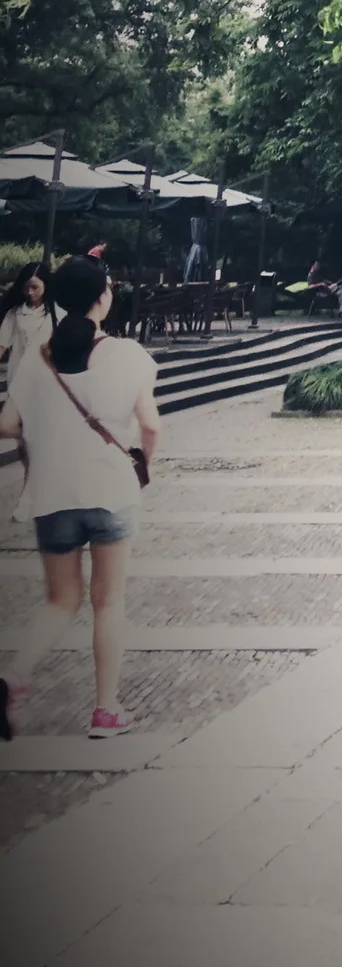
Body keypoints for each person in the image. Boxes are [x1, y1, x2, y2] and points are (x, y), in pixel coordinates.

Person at [0, 259, 159, 740]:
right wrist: (145, 465)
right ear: (103, 298)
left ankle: (12, 679)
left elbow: (7, 424)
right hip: (111, 491)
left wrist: (49, 430)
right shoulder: (128, 354)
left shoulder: (38, 356)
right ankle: (106, 711)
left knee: (59, 600)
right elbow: (150, 425)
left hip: (51, 494)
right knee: (108, 602)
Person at [0, 262, 57, 383]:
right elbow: (1, 345)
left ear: (46, 284)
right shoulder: (14, 313)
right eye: (26, 288)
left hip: (46, 378)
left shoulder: (58, 315)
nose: (30, 292)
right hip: (18, 376)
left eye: (35, 287)